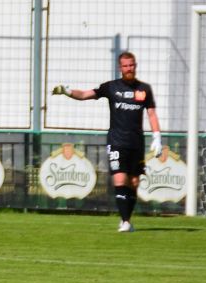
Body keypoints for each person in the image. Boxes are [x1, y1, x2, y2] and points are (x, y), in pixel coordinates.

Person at [52, 51, 161, 232]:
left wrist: (157, 137)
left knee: (134, 182)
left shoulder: (144, 89)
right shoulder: (111, 87)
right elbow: (85, 94)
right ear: (120, 68)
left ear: (135, 66)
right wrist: (67, 91)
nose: (129, 68)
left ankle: (127, 219)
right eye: (125, 66)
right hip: (117, 141)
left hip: (136, 143)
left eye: (131, 65)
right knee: (120, 178)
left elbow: (151, 114)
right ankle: (125, 222)